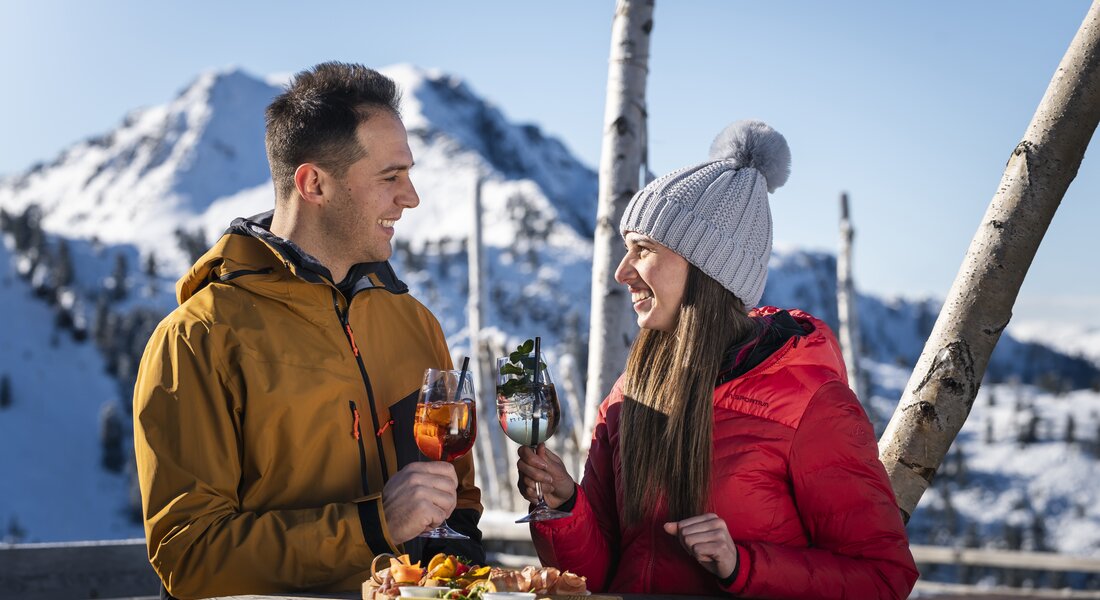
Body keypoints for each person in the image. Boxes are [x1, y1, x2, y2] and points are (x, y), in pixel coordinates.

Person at [516, 120, 919, 597]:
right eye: (626, 250)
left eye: (643, 249)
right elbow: (598, 577)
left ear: (706, 267)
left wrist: (741, 566)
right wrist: (564, 506)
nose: (622, 272)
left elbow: (883, 578)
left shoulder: (810, 405)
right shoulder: (631, 393)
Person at [132, 62, 484, 599]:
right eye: (390, 177)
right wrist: (372, 526)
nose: (411, 197)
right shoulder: (199, 338)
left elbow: (457, 501)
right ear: (314, 183)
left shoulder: (414, 323)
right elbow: (188, 555)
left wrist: (462, 570)